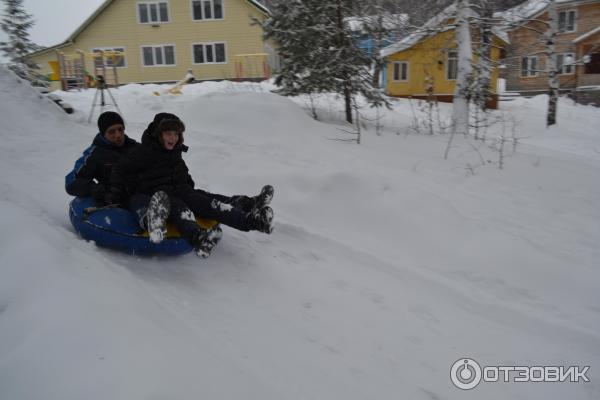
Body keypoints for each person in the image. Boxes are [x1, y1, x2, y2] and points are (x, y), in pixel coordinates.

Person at [108, 113, 274, 257]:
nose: (172, 138)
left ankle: (252, 219)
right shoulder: (142, 152)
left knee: (210, 202)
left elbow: (183, 172)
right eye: (168, 133)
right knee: (182, 210)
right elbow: (119, 169)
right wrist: (116, 190)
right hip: (161, 197)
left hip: (181, 190)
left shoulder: (174, 152)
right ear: (158, 134)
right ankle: (198, 238)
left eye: (176, 134)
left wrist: (187, 182)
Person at [65, 111, 138, 204]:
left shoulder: (136, 148)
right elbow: (72, 181)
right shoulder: (95, 154)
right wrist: (97, 190)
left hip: (139, 195)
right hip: (115, 200)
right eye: (112, 132)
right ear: (103, 134)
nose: (118, 135)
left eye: (120, 129)